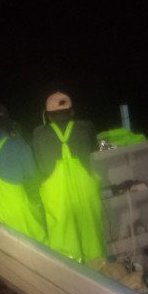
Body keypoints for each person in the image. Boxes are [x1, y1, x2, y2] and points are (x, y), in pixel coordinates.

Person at [32, 91, 105, 263]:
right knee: (92, 232)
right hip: (86, 192)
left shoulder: (38, 133)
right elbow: (94, 150)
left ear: (48, 116)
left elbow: (40, 164)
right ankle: (99, 265)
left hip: (57, 195)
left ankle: (68, 267)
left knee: (63, 235)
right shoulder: (87, 127)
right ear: (72, 112)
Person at [0, 105, 47, 244]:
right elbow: (31, 174)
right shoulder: (18, 143)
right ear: (9, 123)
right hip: (22, 212)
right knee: (37, 243)